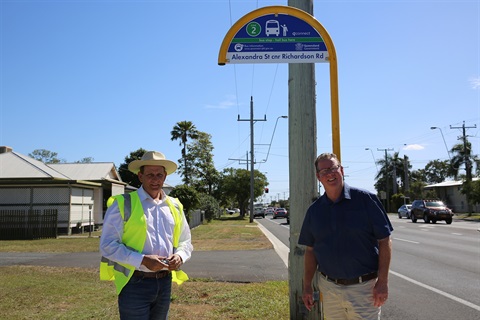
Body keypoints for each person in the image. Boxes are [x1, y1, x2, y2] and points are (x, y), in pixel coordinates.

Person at [100, 150, 193, 320]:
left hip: (164, 282)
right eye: (150, 174)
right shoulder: (123, 204)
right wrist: (142, 260)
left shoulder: (175, 206)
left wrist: (180, 256)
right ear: (140, 176)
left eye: (159, 175)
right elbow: (107, 246)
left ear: (165, 177)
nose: (155, 179)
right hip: (134, 283)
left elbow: (185, 241)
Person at [299, 152, 393, 320]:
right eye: (324, 171)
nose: (329, 174)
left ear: (341, 170)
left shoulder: (366, 200)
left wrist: (383, 281)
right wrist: (307, 286)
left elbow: (385, 241)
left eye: (333, 168)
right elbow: (310, 250)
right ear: (318, 177)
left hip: (364, 289)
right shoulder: (314, 211)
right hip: (329, 289)